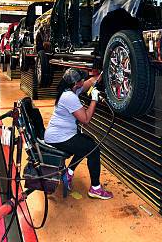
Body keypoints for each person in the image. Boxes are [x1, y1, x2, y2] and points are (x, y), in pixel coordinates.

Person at [44, 68, 113, 200]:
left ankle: (68, 173)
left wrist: (102, 72)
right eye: (82, 80)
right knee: (93, 149)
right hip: (58, 138)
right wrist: (94, 99)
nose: (83, 81)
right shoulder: (69, 97)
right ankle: (95, 188)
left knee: (86, 143)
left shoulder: (70, 89)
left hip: (62, 134)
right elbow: (86, 119)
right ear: (76, 84)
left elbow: (92, 81)